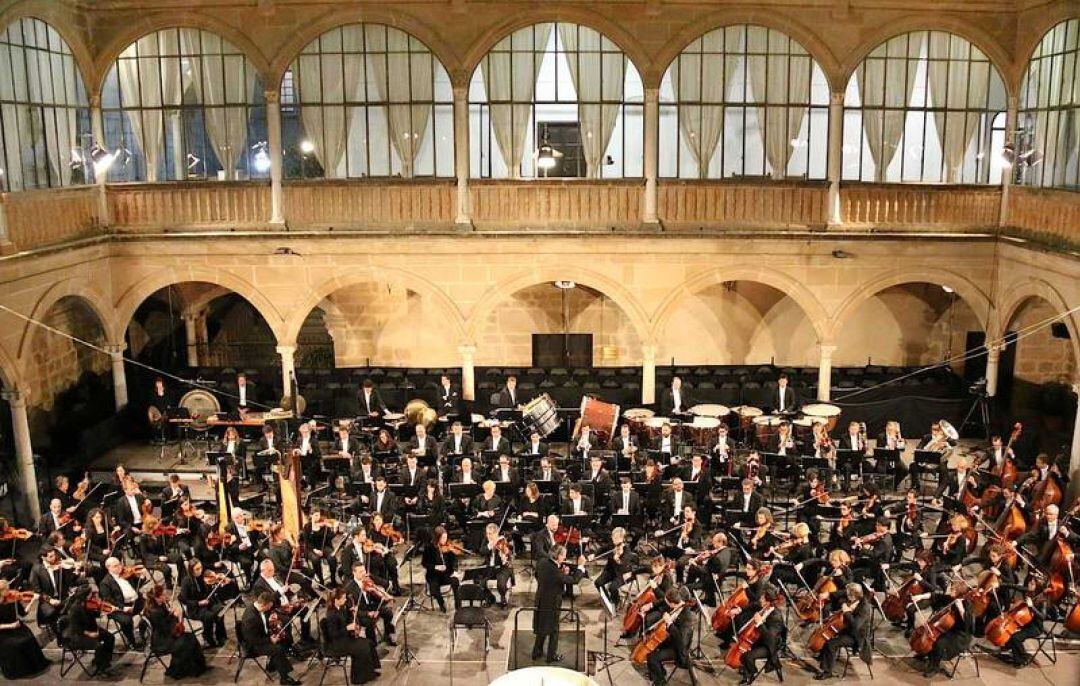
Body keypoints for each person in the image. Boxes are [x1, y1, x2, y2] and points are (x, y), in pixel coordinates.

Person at [532, 543, 585, 663]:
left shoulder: (541, 562)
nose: (565, 558)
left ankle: (536, 652)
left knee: (541, 627)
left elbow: (538, 575)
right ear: (559, 556)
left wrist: (557, 577)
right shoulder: (556, 572)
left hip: (540, 599)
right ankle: (551, 656)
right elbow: (574, 580)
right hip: (552, 603)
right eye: (564, 556)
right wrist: (581, 567)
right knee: (554, 630)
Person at [144, 583, 208, 678]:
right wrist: (177, 616)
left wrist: (171, 614)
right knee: (187, 641)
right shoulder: (154, 612)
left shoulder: (160, 605)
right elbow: (169, 629)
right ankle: (180, 671)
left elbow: (167, 621)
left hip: (167, 633)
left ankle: (197, 668)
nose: (166, 596)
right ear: (157, 597)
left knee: (191, 637)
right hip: (162, 640)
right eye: (164, 595)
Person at [240, 591, 301, 685]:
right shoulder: (251, 619)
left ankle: (272, 665)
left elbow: (263, 620)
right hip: (254, 645)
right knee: (277, 649)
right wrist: (270, 640)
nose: (269, 609)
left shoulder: (257, 606)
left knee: (284, 638)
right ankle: (284, 678)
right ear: (264, 605)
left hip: (262, 636)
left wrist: (271, 618)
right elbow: (252, 640)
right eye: (269, 607)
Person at [814, 583, 872, 680]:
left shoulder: (864, 607)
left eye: (849, 594)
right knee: (827, 637)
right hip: (847, 630)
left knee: (831, 644)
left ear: (854, 594)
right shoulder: (854, 600)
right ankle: (823, 658)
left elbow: (856, 626)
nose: (847, 595)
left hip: (856, 637)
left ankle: (828, 672)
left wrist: (847, 612)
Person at [323, 588, 381, 684]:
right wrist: (347, 628)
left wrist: (352, 612)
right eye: (343, 598)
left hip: (345, 638)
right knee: (361, 647)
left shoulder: (341, 608)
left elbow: (346, 620)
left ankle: (370, 672)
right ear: (336, 600)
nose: (345, 600)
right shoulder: (331, 614)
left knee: (369, 643)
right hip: (338, 644)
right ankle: (359, 678)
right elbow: (333, 634)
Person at [0, 578, 50, 678]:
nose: (9, 591)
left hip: (16, 626)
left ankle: (35, 666)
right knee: (16, 644)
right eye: (7, 589)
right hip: (3, 632)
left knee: (29, 637)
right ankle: (19, 671)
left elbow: (23, 614)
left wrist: (32, 601)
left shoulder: (12, 599)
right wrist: (11, 626)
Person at [64, 582, 117, 676]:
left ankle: (103, 662)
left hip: (90, 628)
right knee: (99, 646)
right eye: (91, 594)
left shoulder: (86, 603)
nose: (93, 595)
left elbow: (92, 612)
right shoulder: (75, 609)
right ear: (85, 596)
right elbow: (75, 627)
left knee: (110, 637)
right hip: (78, 635)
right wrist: (89, 634)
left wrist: (102, 612)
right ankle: (101, 669)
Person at [644, 588, 694, 686]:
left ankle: (660, 682)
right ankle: (659, 672)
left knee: (652, 657)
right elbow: (664, 599)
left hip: (679, 648)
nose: (667, 605)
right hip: (671, 638)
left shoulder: (687, 618)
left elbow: (681, 642)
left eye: (668, 604)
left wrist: (670, 624)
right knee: (651, 647)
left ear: (673, 604)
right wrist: (651, 605)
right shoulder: (679, 596)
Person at [737, 585, 786, 685]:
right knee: (743, 650)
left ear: (768, 602)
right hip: (760, 639)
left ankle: (751, 673)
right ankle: (746, 672)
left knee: (747, 656)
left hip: (770, 645)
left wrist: (760, 623)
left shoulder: (776, 616)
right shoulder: (765, 608)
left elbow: (770, 638)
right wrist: (740, 610)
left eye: (762, 599)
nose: (760, 600)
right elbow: (754, 604)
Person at [180, 558, 230, 647]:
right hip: (195, 609)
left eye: (201, 568)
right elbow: (183, 599)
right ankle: (208, 637)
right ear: (191, 570)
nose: (200, 571)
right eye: (197, 569)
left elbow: (208, 591)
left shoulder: (202, 577)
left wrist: (214, 583)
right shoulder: (186, 581)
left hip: (206, 603)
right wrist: (198, 603)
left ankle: (220, 635)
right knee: (209, 616)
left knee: (220, 609)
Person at [99, 556, 146, 648]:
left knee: (152, 608)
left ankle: (144, 633)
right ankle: (132, 642)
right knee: (126, 621)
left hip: (135, 602)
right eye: (116, 566)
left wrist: (142, 577)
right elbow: (108, 600)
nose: (120, 567)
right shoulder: (105, 583)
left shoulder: (126, 574)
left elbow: (138, 585)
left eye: (120, 564)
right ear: (109, 568)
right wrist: (123, 608)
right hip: (118, 608)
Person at [421, 526, 461, 613]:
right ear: (437, 537)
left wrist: (455, 571)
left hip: (447, 573)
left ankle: (458, 606)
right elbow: (424, 563)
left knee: (456, 582)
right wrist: (435, 567)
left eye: (446, 538)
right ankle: (441, 603)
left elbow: (454, 560)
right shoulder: (429, 548)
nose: (445, 540)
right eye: (443, 538)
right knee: (434, 589)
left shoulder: (448, 547)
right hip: (433, 575)